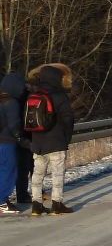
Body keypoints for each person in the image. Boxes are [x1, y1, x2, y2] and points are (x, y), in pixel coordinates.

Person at [28, 63, 75, 216]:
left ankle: (36, 205)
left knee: (37, 174)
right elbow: (68, 119)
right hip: (56, 141)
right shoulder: (60, 95)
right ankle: (57, 204)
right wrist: (66, 138)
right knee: (57, 173)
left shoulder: (33, 95)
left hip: (38, 142)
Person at [0, 71, 24, 214]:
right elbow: (14, 124)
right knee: (8, 172)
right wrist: (21, 138)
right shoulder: (12, 102)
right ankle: (2, 201)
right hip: (6, 142)